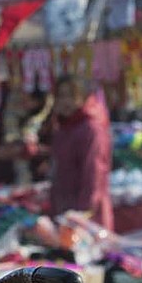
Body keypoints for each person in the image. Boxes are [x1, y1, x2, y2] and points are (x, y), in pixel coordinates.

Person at [48, 74, 114, 228]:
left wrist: (84, 213)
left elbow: (94, 172)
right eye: (61, 96)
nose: (66, 102)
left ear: (83, 97)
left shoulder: (91, 129)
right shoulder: (62, 128)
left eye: (71, 95)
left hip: (87, 215)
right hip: (65, 208)